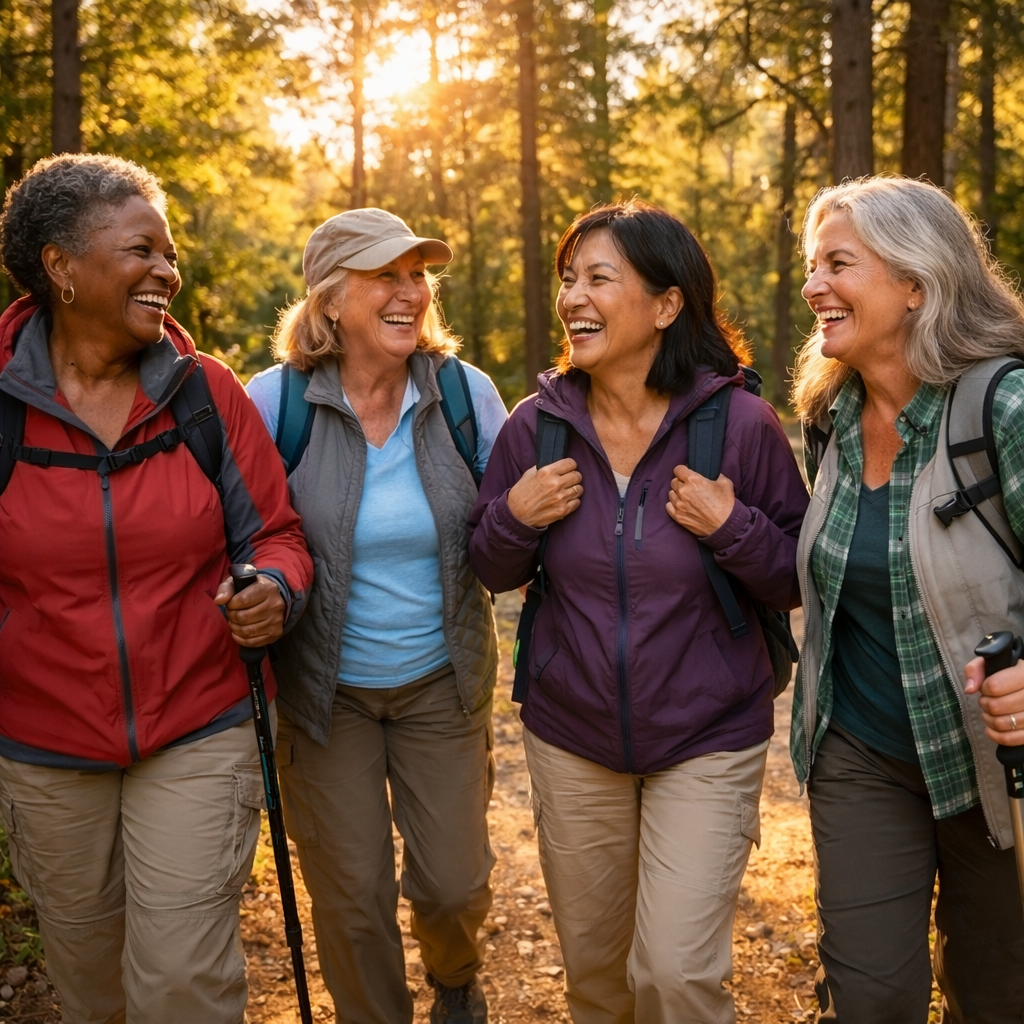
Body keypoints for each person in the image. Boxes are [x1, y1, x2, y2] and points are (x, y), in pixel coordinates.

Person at [467, 198, 808, 1024]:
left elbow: (798, 577)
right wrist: (516, 513)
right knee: (597, 981)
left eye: (599, 279)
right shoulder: (536, 427)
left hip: (707, 736)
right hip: (572, 738)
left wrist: (735, 527)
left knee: (677, 978)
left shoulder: (741, 425)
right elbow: (490, 563)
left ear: (665, 304)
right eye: (567, 280)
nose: (573, 298)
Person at [0, 154, 313, 1024]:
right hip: (46, 744)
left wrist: (273, 592)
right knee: (91, 981)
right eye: (142, 250)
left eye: (170, 254)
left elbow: (278, 536)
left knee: (181, 984)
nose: (167, 272)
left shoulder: (204, 394)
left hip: (198, 723)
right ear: (61, 267)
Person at [246, 207, 508, 1024]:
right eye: (384, 276)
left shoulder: (465, 394)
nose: (410, 292)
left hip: (441, 683)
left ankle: (455, 980)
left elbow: (508, 527)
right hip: (327, 697)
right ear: (329, 300)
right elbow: (239, 529)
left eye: (417, 275)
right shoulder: (272, 403)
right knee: (351, 898)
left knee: (453, 885)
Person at [790, 176, 1024, 1023]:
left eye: (838, 263)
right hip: (860, 751)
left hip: (993, 763)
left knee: (996, 992)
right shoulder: (831, 421)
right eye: (813, 265)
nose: (814, 285)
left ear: (916, 283)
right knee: (869, 996)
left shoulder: (1004, 406)